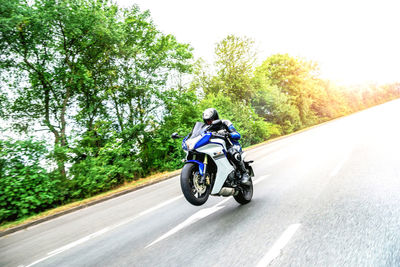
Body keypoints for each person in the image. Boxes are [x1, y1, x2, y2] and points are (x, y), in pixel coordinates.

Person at [202, 108, 250, 185]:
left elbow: (237, 135)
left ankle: (244, 173)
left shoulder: (225, 122)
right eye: (207, 121)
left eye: (210, 120)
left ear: (215, 118)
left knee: (232, 152)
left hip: (231, 145)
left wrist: (228, 134)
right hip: (216, 148)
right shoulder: (206, 129)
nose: (209, 122)